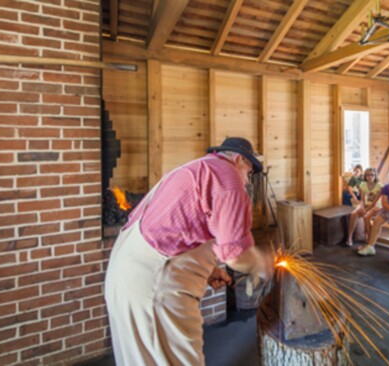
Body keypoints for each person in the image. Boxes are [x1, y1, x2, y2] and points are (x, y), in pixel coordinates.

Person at [105, 137, 274, 366]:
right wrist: (263, 264)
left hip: (126, 274)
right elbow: (236, 255)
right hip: (153, 286)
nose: (247, 180)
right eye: (249, 171)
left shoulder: (195, 169)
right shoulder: (228, 178)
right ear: (238, 159)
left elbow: (178, 230)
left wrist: (207, 268)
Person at [346, 167, 383, 246]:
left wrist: (365, 210)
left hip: (376, 206)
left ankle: (369, 239)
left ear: (375, 175)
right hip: (365, 204)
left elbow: (374, 202)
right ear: (365, 176)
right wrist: (362, 207)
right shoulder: (363, 185)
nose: (370, 177)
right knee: (353, 214)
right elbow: (362, 200)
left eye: (372, 175)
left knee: (366, 216)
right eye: (368, 175)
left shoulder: (380, 186)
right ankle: (349, 238)